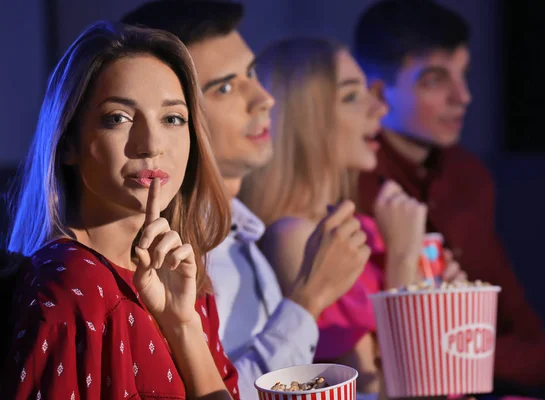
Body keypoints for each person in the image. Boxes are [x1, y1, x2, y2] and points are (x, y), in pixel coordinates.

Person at [121, 2, 370, 399]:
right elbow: (227, 391)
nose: (264, 99)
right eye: (224, 88)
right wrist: (308, 298)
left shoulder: (241, 229)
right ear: (174, 119)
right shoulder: (174, 255)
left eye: (252, 74)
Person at [354, 0, 545, 394]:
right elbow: (409, 347)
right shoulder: (354, 185)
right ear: (379, 92)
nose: (464, 96)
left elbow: (509, 309)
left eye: (464, 75)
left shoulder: (468, 175)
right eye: (435, 80)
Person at [0, 21, 239, 399]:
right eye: (118, 118)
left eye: (172, 118)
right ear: (67, 143)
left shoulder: (181, 274)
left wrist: (183, 326)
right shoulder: (71, 285)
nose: (151, 144)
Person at [238, 38, 466, 397]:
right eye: (351, 96)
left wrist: (441, 303)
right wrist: (403, 263)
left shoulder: (367, 228)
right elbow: (388, 391)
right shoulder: (297, 239)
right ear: (303, 121)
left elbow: (437, 372)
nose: (379, 108)